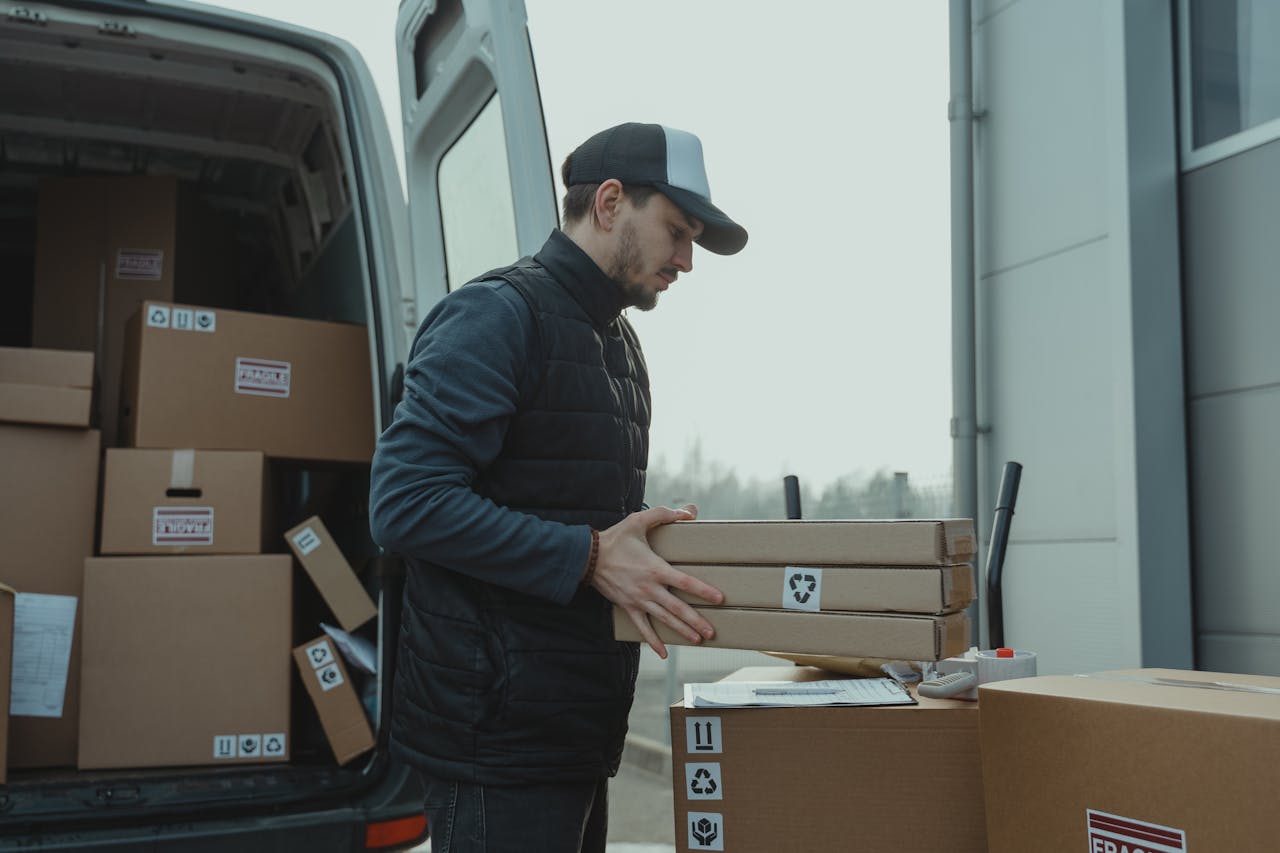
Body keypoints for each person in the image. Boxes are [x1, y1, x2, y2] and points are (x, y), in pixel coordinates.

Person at [368, 122, 747, 852]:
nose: (687, 260)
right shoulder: (497, 315)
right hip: (495, 744)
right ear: (609, 203)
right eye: (676, 231)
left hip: (571, 733)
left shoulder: (619, 344)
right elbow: (404, 502)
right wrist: (591, 555)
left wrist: (644, 546)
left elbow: (569, 511)